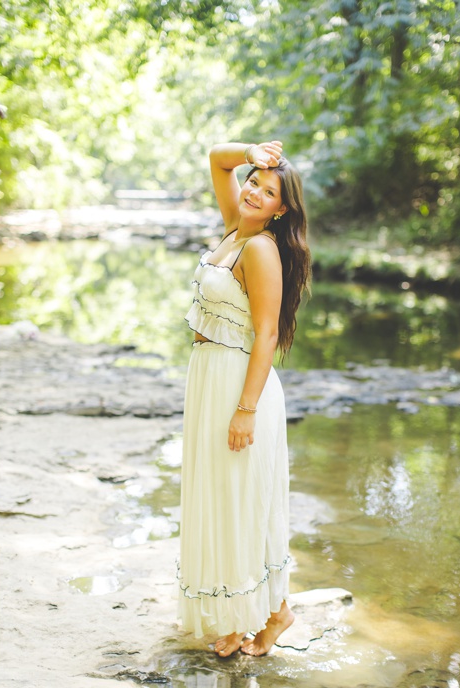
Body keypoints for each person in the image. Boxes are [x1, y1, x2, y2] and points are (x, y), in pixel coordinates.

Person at [178, 140, 310, 656]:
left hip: (239, 385)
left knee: (239, 501)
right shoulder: (237, 226)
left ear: (281, 208)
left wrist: (245, 410)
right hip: (209, 378)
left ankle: (273, 615)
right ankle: (239, 618)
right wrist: (252, 151)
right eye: (253, 181)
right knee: (220, 497)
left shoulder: (260, 249)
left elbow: (267, 334)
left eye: (268, 191)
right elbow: (217, 158)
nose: (254, 192)